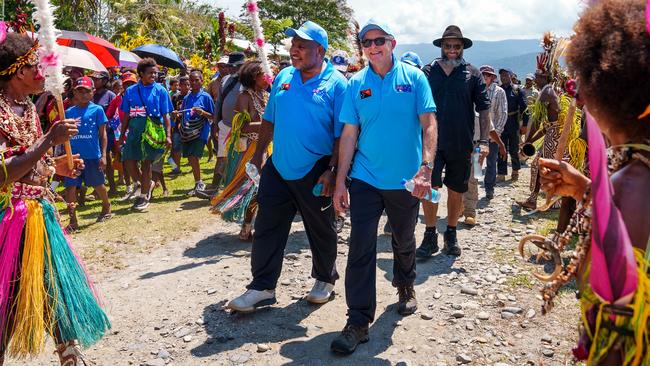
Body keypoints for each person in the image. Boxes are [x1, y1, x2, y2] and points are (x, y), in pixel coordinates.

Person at [529, 1, 650, 364]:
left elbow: (617, 340)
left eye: (580, 80)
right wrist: (585, 190)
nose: (576, 93)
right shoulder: (635, 173)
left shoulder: (629, 187)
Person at [0, 31, 110, 366]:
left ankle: (69, 354)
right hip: (9, 222)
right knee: (8, 300)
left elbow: (35, 165)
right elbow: (4, 173)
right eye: (37, 65)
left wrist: (58, 166)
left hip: (39, 216)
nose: (44, 72)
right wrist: (49, 141)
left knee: (54, 285)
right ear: (19, 71)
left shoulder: (29, 109)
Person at [330, 19, 437, 355]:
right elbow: (349, 134)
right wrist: (339, 182)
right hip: (364, 178)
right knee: (360, 247)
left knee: (403, 238)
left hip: (406, 181)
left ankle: (405, 285)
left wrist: (426, 168)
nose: (373, 47)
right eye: (367, 42)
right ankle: (358, 322)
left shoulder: (414, 78)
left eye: (379, 41)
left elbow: (429, 124)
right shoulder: (356, 83)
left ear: (392, 42)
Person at [227, 21, 347, 312]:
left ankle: (325, 279)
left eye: (302, 46)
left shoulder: (338, 84)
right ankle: (262, 287)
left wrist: (332, 169)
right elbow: (270, 119)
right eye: (293, 45)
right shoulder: (283, 76)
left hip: (316, 167)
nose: (294, 50)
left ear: (320, 50)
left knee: (320, 227)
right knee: (267, 225)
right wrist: (257, 156)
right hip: (279, 165)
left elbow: (343, 134)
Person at [417, 25, 490, 258]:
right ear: (441, 47)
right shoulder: (428, 71)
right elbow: (414, 104)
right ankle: (430, 235)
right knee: (430, 187)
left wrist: (484, 141)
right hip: (432, 143)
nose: (451, 50)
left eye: (456, 46)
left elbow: (484, 109)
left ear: (462, 48)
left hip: (461, 141)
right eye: (447, 46)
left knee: (456, 189)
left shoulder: (473, 73)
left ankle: (450, 233)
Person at [210, 60, 270, 240]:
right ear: (254, 77)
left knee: (265, 189)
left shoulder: (266, 96)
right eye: (264, 75)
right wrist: (267, 126)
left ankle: (260, 225)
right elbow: (242, 128)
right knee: (252, 189)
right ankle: (246, 226)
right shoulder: (244, 97)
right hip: (249, 151)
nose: (268, 78)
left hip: (267, 147)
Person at [119, 57, 173, 210]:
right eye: (150, 73)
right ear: (141, 73)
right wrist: (122, 134)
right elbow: (126, 115)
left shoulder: (161, 90)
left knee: (146, 162)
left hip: (152, 130)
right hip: (134, 130)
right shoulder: (130, 91)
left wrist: (168, 135)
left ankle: (143, 196)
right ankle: (145, 183)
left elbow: (166, 114)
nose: (154, 76)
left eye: (155, 73)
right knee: (128, 159)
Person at [64, 76, 112, 231]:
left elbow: (103, 134)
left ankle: (106, 205)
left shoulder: (97, 110)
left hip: (92, 155)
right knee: (71, 188)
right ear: (75, 93)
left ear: (93, 92)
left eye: (87, 91)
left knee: (98, 184)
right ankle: (73, 220)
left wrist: (103, 155)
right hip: (74, 157)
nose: (83, 94)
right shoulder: (68, 112)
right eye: (80, 91)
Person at [197, 52, 245, 197]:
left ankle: (237, 190)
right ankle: (213, 188)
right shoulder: (225, 80)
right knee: (222, 157)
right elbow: (219, 103)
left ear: (242, 66)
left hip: (242, 128)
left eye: (234, 66)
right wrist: (216, 124)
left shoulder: (249, 81)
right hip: (225, 125)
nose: (230, 69)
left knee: (240, 159)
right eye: (229, 66)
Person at [177, 70, 214, 195]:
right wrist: (177, 114)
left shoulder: (206, 97)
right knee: (190, 158)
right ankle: (198, 182)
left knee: (194, 156)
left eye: (196, 80)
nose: (194, 82)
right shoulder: (187, 97)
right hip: (187, 131)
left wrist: (202, 112)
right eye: (191, 80)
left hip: (201, 131)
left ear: (202, 81)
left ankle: (199, 183)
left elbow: (213, 116)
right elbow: (182, 112)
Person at [106, 72, 138, 198]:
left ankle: (139, 184)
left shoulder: (139, 96)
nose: (129, 86)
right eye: (127, 84)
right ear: (123, 85)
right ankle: (129, 187)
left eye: (132, 83)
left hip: (137, 131)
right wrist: (114, 124)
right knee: (125, 161)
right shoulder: (117, 98)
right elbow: (108, 114)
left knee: (136, 161)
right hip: (121, 134)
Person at [481, 65, 508, 200]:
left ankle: (489, 188)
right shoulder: (476, 90)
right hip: (477, 135)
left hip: (492, 135)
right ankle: (471, 189)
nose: (485, 77)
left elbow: (503, 114)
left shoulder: (499, 92)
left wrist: (497, 133)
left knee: (491, 163)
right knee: (475, 162)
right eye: (483, 74)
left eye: (487, 74)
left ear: (492, 77)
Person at [497, 68, 528, 182]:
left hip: (513, 122)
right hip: (501, 123)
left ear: (511, 76)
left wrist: (524, 125)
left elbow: (525, 109)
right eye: (501, 75)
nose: (503, 77)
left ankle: (515, 170)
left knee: (514, 148)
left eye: (505, 75)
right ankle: (501, 173)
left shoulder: (517, 90)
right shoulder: (498, 90)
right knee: (501, 147)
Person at [90, 71, 117, 194]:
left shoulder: (111, 95)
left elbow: (115, 113)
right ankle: (98, 188)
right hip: (93, 132)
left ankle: (112, 186)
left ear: (105, 81)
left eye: (97, 79)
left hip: (108, 132)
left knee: (107, 158)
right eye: (93, 79)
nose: (94, 81)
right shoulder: (91, 95)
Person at [169, 75, 190, 175]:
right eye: (184, 85)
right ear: (179, 86)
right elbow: (171, 111)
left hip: (190, 126)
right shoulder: (175, 97)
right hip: (177, 126)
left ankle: (192, 165)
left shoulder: (191, 96)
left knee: (190, 148)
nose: (186, 87)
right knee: (175, 148)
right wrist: (174, 114)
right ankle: (176, 168)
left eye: (188, 85)